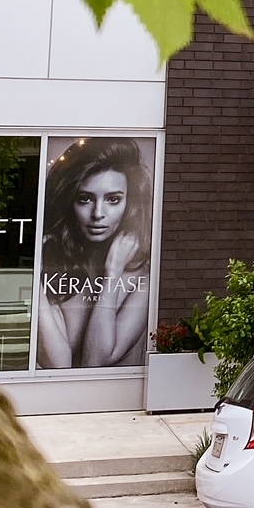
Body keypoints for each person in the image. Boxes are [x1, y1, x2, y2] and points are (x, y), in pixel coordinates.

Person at [37, 137, 153, 368]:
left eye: (113, 199)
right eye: (85, 199)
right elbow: (58, 365)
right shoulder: (55, 265)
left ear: (129, 204)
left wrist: (113, 273)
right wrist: (35, 278)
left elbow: (95, 361)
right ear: (69, 202)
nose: (98, 213)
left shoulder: (144, 274)